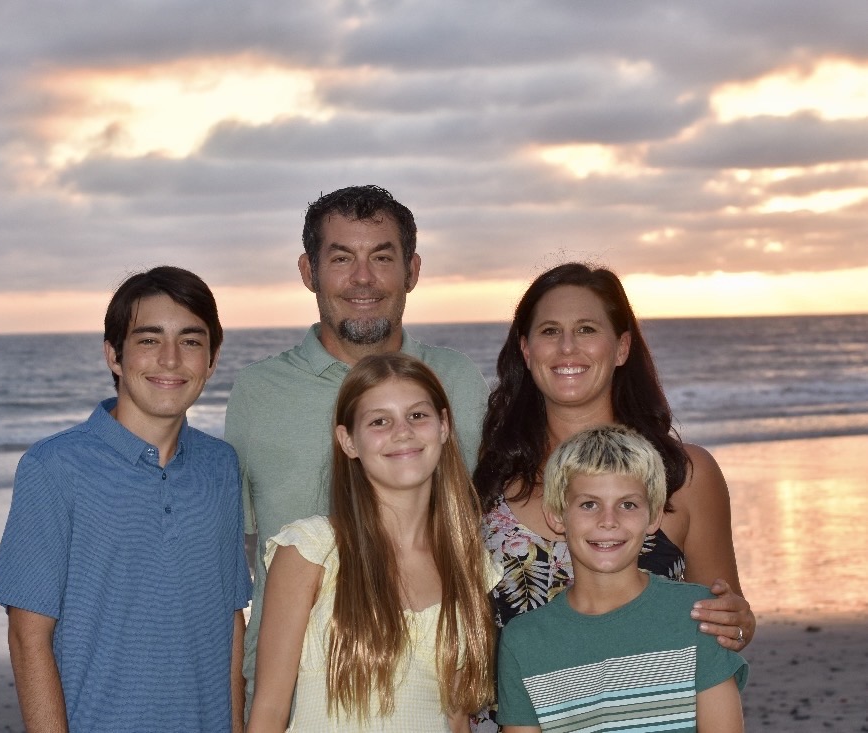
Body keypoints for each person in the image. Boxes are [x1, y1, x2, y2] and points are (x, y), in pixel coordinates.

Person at [226, 185, 489, 714]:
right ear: (309, 272)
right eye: (341, 258)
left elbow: (486, 521)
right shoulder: (258, 393)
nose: (363, 279)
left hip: (431, 690)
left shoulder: (456, 381)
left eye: (382, 258)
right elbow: (231, 557)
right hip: (293, 698)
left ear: (412, 271)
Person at [0, 266, 252, 733]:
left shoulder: (222, 468)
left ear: (211, 360)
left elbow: (229, 623)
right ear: (114, 355)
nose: (170, 360)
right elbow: (28, 637)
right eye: (149, 340)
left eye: (190, 341)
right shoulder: (53, 468)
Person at [472, 262, 754, 648]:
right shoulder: (489, 478)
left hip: (644, 706)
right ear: (525, 349)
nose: (567, 346)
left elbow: (726, 622)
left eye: (586, 329)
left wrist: (737, 623)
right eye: (550, 331)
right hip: (510, 709)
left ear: (621, 348)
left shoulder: (684, 477)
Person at [246, 353, 498, 733]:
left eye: (417, 415)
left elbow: (457, 719)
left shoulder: (469, 562)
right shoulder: (311, 550)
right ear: (348, 441)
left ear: (444, 426)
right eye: (379, 421)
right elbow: (268, 712)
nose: (403, 432)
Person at [496, 424, 747, 732]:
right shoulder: (524, 641)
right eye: (589, 504)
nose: (608, 522)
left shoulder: (698, 616)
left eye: (628, 504)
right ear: (558, 515)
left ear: (653, 516)